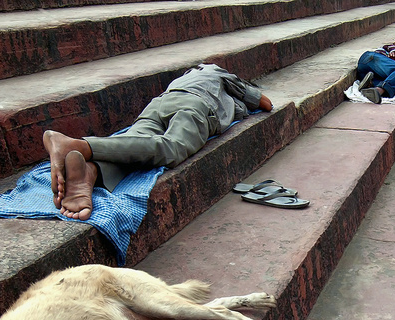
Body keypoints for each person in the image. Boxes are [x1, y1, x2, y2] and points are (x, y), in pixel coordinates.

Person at [43, 63, 272, 220]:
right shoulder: (218, 73)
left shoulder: (184, 78)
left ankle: (90, 172)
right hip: (194, 107)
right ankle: (79, 146)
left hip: (159, 104)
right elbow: (265, 103)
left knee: (135, 145)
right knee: (171, 148)